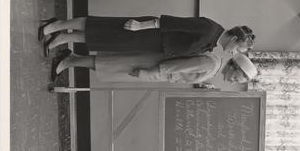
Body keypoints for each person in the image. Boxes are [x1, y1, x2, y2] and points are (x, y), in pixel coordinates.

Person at [38, 15, 255, 57]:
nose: (234, 53)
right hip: (147, 31)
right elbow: (174, 23)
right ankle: (58, 25)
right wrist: (141, 25)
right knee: (102, 26)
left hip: (149, 44)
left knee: (103, 39)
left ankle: (63, 38)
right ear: (234, 39)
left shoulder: (212, 43)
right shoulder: (209, 29)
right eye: (238, 49)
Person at [50, 49, 257, 85]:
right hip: (154, 66)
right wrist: (148, 72)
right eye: (235, 78)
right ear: (234, 68)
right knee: (109, 64)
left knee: (110, 68)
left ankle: (73, 58)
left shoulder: (213, 69)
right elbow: (175, 66)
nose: (232, 81)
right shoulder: (211, 63)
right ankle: (69, 61)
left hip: (156, 72)